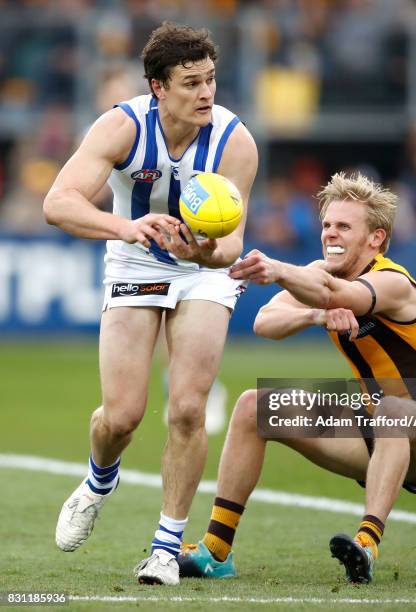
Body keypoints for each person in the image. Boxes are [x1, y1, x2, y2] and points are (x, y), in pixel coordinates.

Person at [43, 22, 257, 586]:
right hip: (134, 257)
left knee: (188, 407)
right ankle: (99, 479)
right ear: (158, 87)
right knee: (122, 416)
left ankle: (166, 547)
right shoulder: (122, 126)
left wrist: (205, 252)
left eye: (211, 79)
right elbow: (58, 203)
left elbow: (233, 246)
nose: (206, 93)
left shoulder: (235, 141)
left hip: (202, 272)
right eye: (191, 83)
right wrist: (128, 226)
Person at [177, 172, 416, 584]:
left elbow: (339, 295)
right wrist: (313, 316)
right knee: (251, 408)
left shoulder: (395, 283)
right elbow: (265, 321)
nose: (331, 234)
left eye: (344, 226)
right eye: (327, 225)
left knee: (392, 409)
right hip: (376, 429)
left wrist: (279, 269)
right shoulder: (319, 272)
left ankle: (366, 545)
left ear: (376, 239)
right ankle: (216, 551)